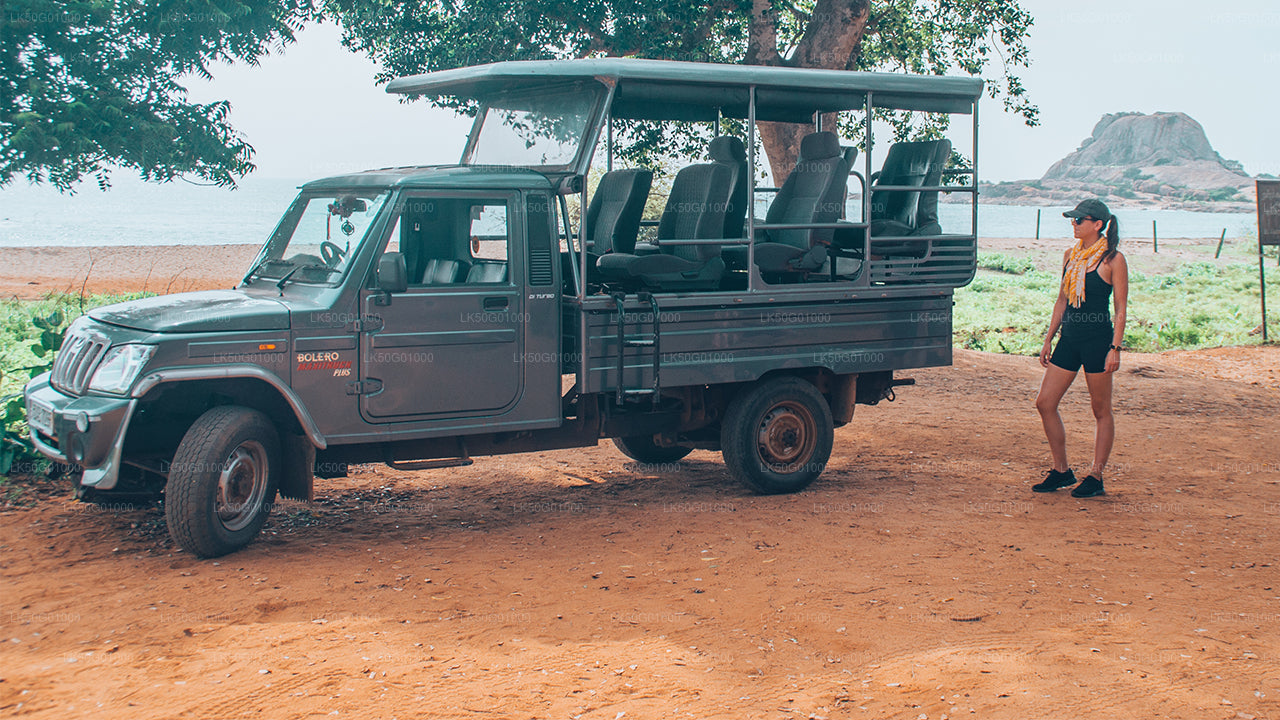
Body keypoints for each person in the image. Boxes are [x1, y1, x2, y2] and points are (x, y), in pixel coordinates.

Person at [1033, 198, 1128, 498]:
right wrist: (1049, 338)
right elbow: (1062, 300)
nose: (1073, 224)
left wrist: (1115, 348)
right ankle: (1062, 471)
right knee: (1045, 403)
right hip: (1069, 339)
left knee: (1100, 410)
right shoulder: (1070, 256)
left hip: (1098, 341)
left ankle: (1096, 476)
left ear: (1098, 224)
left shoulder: (1113, 260)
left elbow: (1121, 309)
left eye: (1079, 220)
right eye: (1072, 220)